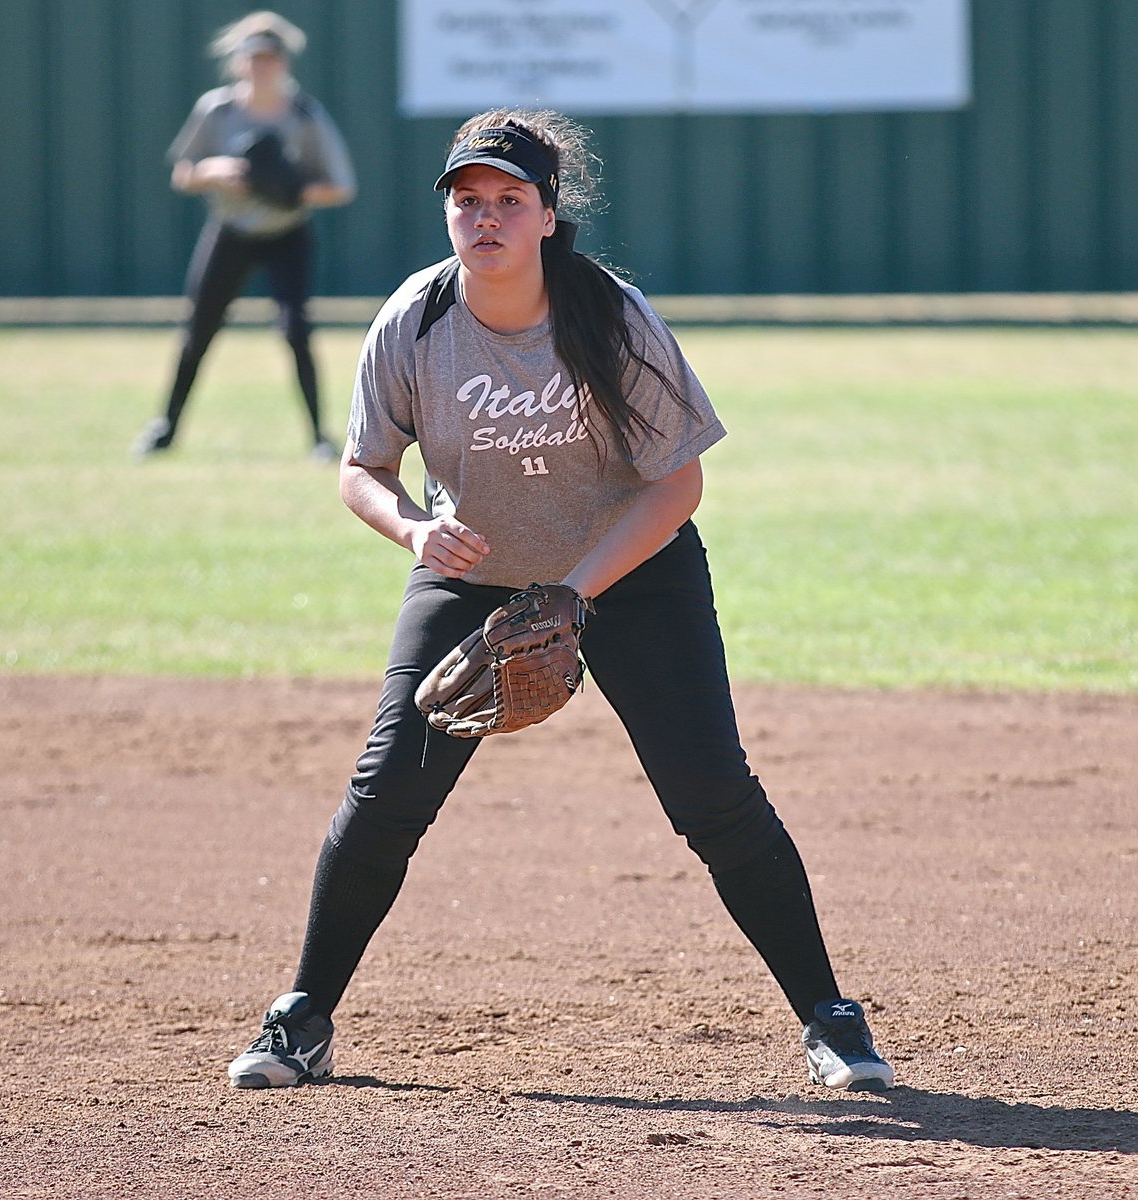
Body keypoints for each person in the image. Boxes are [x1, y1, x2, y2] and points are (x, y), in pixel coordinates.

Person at [226, 109, 895, 1093]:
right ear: (447, 214)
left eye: (509, 200)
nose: (485, 218)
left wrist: (573, 595)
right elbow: (361, 468)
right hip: (472, 570)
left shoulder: (608, 316)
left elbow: (676, 487)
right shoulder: (414, 320)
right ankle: (301, 1018)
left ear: (547, 216)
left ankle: (829, 1017)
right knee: (386, 790)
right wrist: (413, 528)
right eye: (467, 201)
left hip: (630, 572)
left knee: (711, 794)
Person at [133, 11, 356, 460]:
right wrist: (214, 172)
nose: (261, 66)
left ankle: (319, 436)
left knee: (296, 329)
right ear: (238, 63)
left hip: (286, 233)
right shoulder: (216, 110)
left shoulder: (303, 114)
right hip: (230, 231)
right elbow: (184, 173)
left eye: (270, 58)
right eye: (253, 58)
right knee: (198, 329)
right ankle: (166, 428)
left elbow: (341, 186)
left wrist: (288, 189)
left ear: (284, 62)